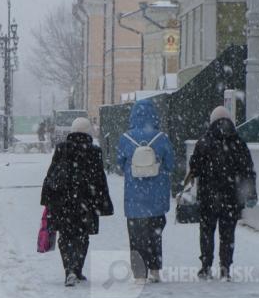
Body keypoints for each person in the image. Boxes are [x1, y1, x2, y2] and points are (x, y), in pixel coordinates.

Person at [41, 117, 114, 287]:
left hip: (63, 202)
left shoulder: (61, 148)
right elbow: (99, 179)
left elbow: (51, 173)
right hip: (85, 202)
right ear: (88, 131)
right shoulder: (94, 151)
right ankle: (77, 269)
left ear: (72, 131)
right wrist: (103, 203)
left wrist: (47, 198)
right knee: (82, 236)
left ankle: (69, 270)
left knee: (65, 236)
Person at [188, 107, 256, 281]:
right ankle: (225, 268)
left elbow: (194, 167)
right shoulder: (238, 143)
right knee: (227, 234)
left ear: (212, 121)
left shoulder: (203, 142)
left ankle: (206, 266)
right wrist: (250, 193)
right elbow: (248, 170)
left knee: (206, 232)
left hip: (208, 196)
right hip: (231, 197)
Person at [116, 99, 175, 284]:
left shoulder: (126, 138)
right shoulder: (162, 138)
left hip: (134, 198)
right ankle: (155, 270)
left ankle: (139, 273)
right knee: (154, 235)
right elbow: (171, 165)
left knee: (136, 237)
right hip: (156, 197)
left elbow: (119, 164)